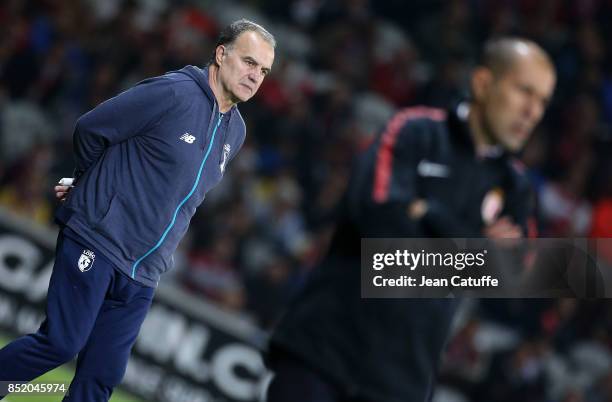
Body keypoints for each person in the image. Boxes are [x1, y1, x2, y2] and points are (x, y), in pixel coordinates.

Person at [266, 37, 556, 402]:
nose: (533, 111)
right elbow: (376, 221)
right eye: (524, 91)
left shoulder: (515, 187)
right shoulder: (415, 131)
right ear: (483, 83)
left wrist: (426, 213)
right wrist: (475, 244)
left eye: (543, 101)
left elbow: (512, 279)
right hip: (323, 352)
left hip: (401, 386)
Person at [0, 19, 275, 402]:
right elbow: (91, 129)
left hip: (144, 271)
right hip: (97, 239)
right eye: (248, 62)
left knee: (103, 374)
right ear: (221, 53)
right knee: (60, 345)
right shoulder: (174, 92)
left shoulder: (236, 132)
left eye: (263, 70)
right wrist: (89, 187)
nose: (254, 76)